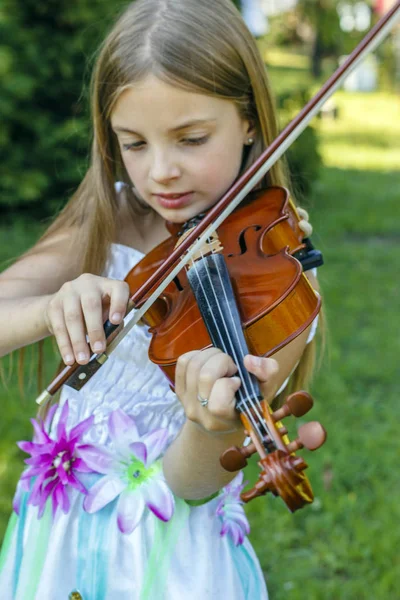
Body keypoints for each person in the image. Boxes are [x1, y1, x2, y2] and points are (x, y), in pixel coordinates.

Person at [0, 0, 320, 598]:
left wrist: (210, 428)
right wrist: (49, 310)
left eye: (191, 139)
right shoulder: (112, 217)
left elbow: (193, 486)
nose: (161, 172)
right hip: (58, 534)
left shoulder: (278, 283)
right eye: (134, 143)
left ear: (249, 122)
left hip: (171, 558)